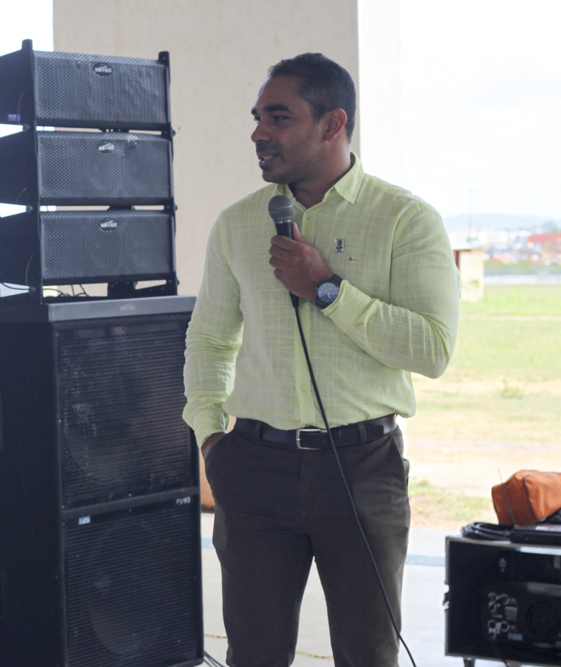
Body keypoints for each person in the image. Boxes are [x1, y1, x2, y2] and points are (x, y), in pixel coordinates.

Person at [183, 53, 459, 666]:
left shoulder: (405, 220)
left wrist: (329, 290)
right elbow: (208, 340)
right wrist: (209, 437)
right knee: (253, 654)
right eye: (257, 118)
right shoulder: (236, 225)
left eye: (278, 117)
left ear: (332, 124)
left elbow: (433, 349)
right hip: (252, 466)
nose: (259, 133)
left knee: (367, 654)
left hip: (362, 470)